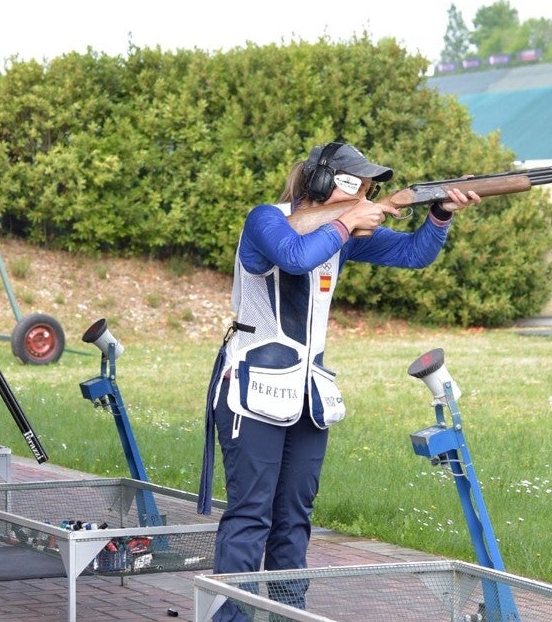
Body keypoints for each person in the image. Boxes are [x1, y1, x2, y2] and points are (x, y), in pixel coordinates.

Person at [198, 142, 480, 619]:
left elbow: (413, 254)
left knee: (293, 521)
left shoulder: (339, 232)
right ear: (323, 181)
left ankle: (289, 614)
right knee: (250, 517)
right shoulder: (266, 219)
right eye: (356, 183)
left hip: (308, 395)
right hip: (252, 390)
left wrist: (439, 215)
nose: (365, 191)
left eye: (369, 186)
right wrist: (347, 223)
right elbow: (293, 256)